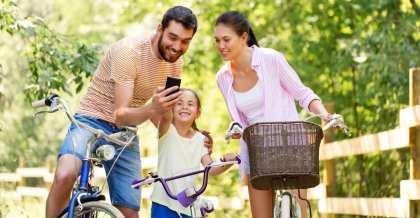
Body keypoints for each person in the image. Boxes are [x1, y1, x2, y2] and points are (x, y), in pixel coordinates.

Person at [45, 6, 212, 218]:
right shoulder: (129, 51)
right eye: (173, 37)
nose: (177, 46)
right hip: (89, 121)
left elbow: (162, 116)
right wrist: (153, 108)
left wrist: (192, 137)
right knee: (65, 174)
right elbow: (120, 113)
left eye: (185, 41)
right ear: (159, 29)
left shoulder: (175, 63)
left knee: (129, 213)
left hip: (125, 133)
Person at [213, 11, 337, 218]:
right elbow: (238, 120)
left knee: (301, 211)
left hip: (290, 145)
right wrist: (236, 130)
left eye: (226, 39)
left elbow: (303, 94)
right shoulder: (222, 77)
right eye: (217, 40)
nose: (220, 46)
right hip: (257, 151)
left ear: (244, 38)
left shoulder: (272, 59)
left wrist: (325, 115)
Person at [149, 88, 237, 218]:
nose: (184, 107)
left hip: (188, 205)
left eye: (190, 104)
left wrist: (227, 162)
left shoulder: (200, 140)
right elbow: (161, 115)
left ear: (197, 112)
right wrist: (162, 98)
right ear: (172, 108)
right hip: (163, 202)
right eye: (179, 103)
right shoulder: (167, 130)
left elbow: (210, 169)